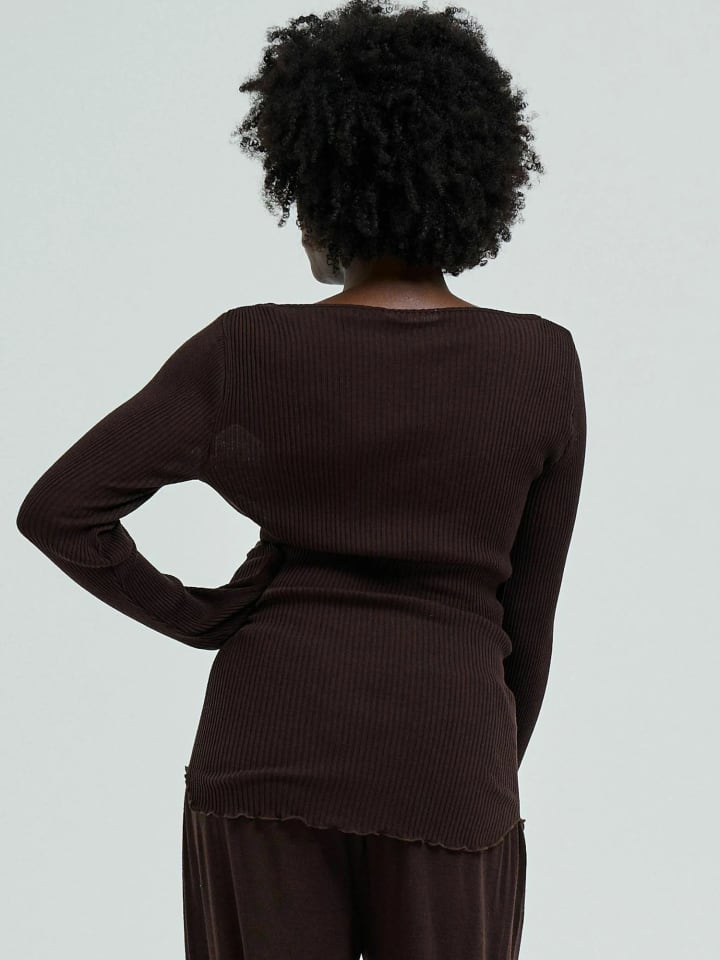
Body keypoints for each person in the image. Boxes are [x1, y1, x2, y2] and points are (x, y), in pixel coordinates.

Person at [16, 2, 587, 958]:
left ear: (318, 188)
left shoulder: (248, 350)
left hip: (266, 746)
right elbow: (529, 625)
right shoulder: (541, 364)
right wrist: (474, 757)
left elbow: (62, 510)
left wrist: (200, 616)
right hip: (450, 753)